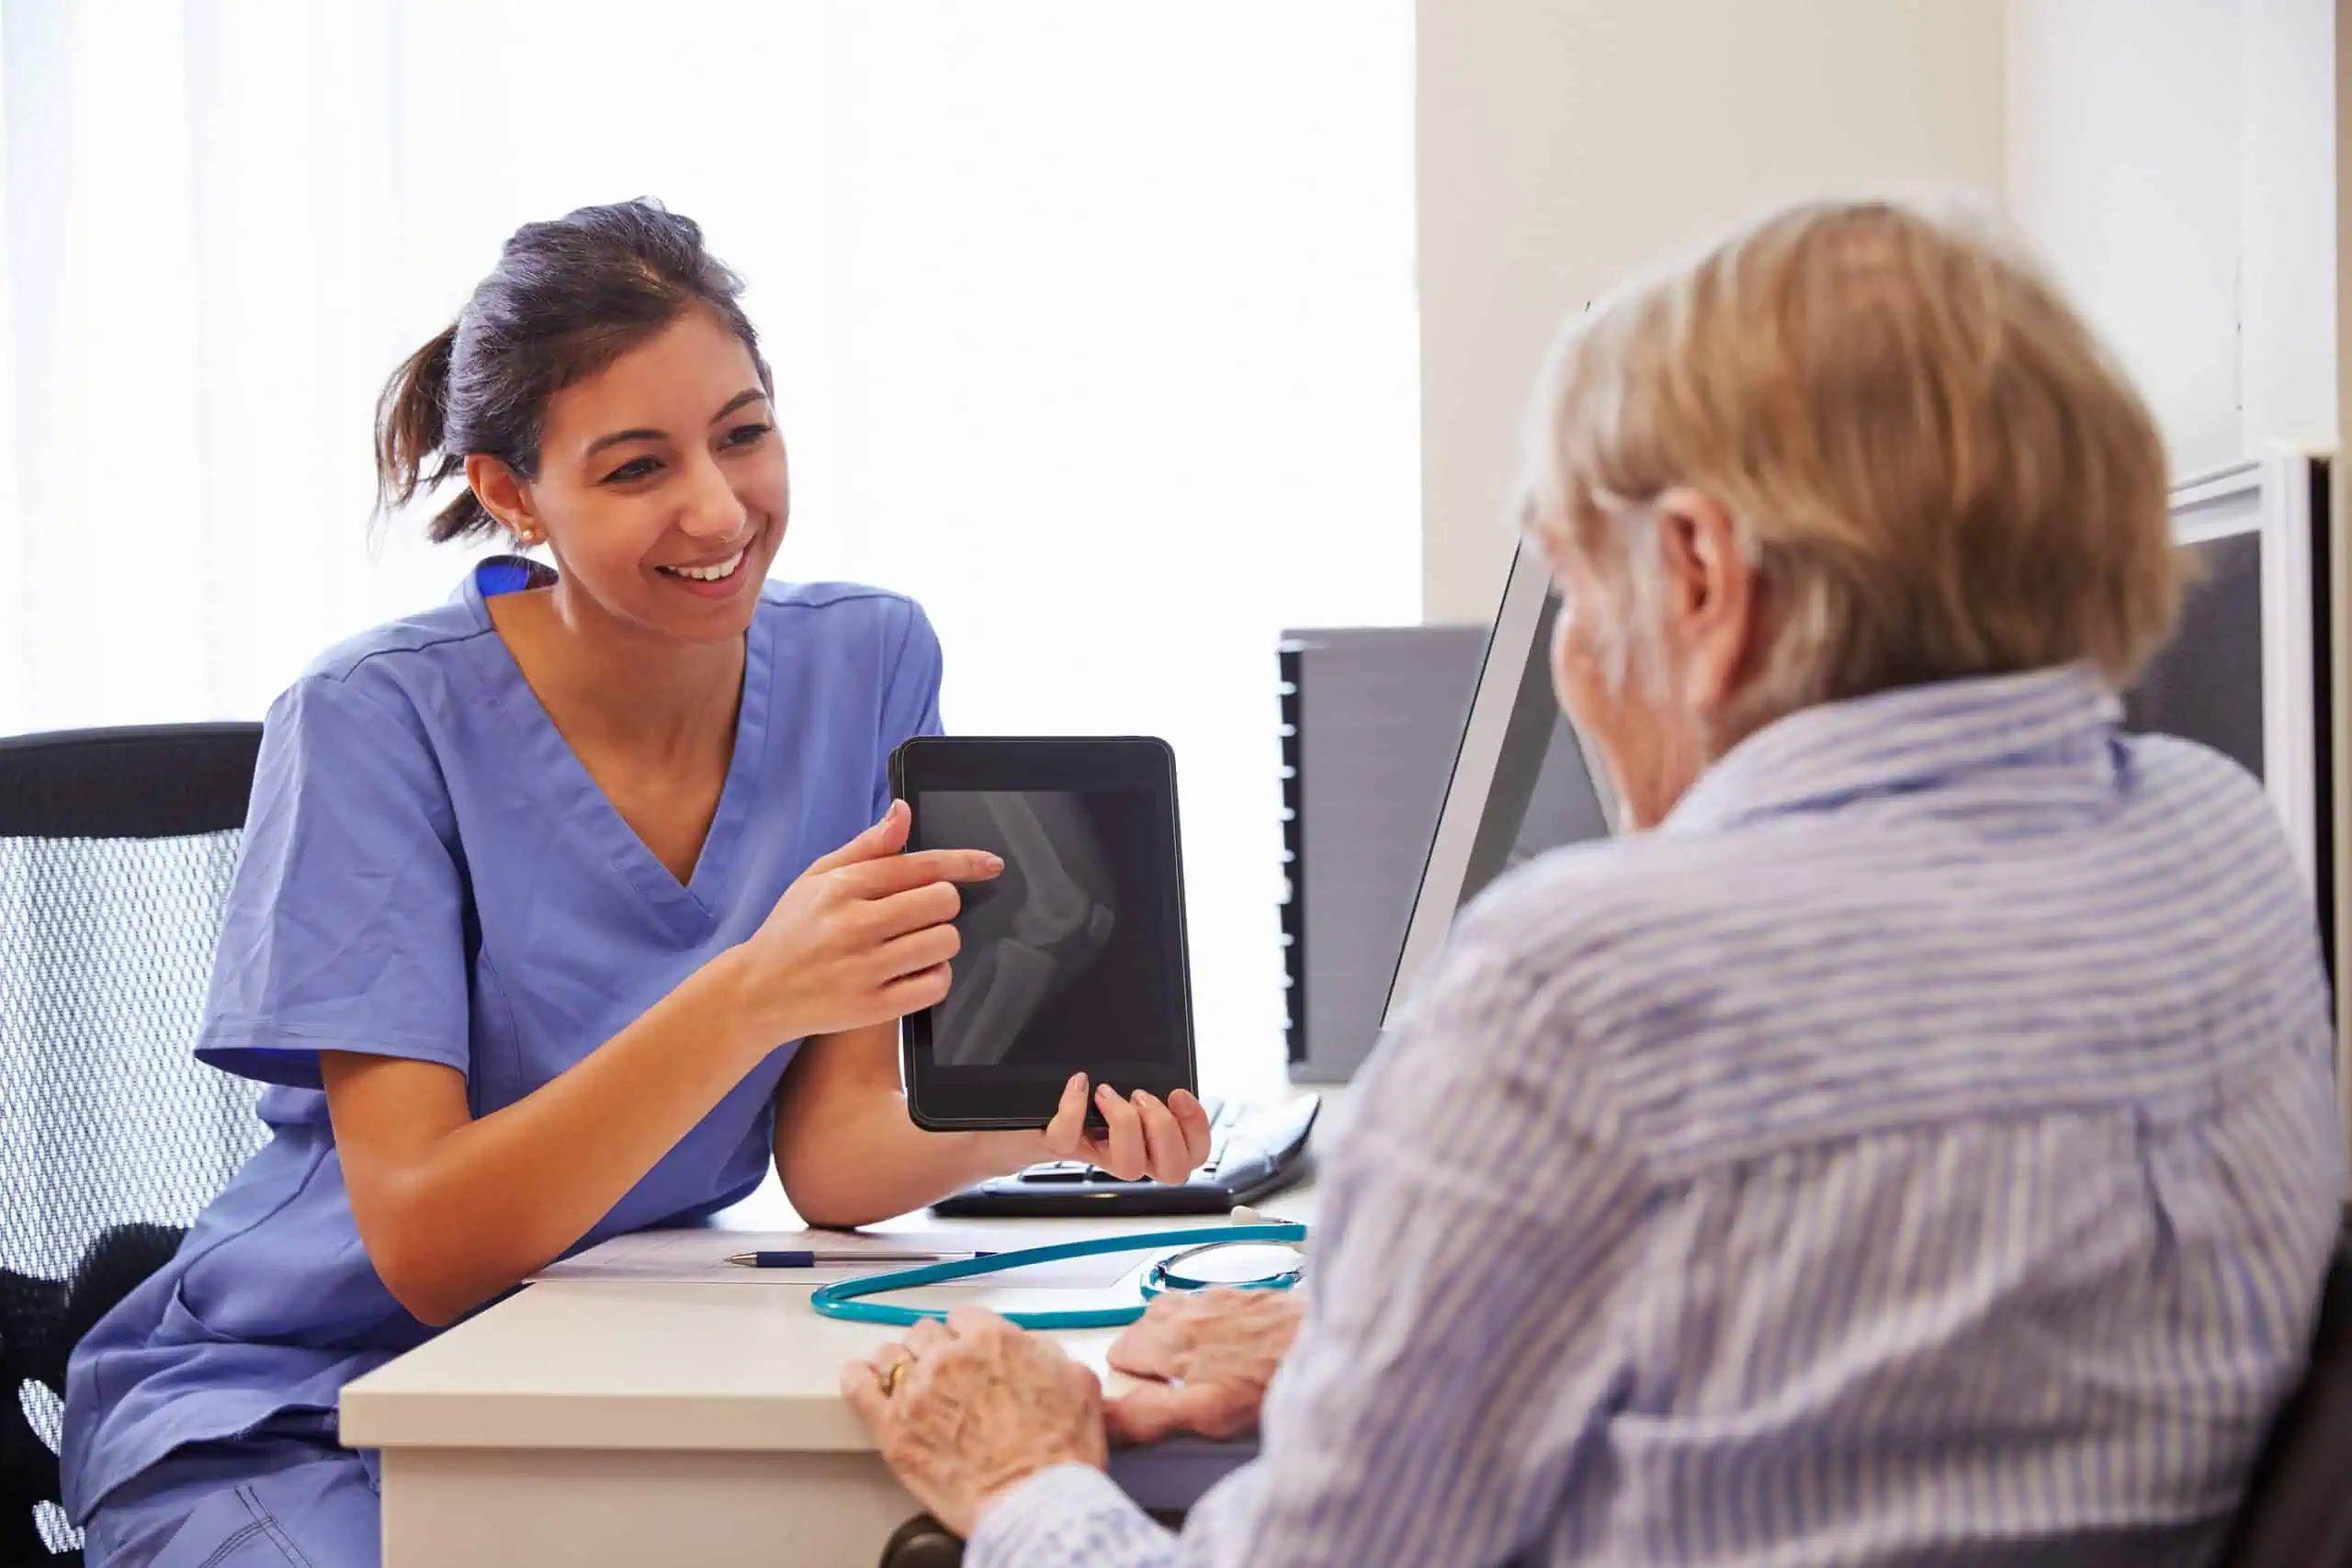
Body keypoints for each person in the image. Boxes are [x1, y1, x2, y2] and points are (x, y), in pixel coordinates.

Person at [842, 198, 2348, 1566]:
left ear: (1696, 574)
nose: (1572, 656)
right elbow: (1950, 1356)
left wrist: (1029, 1475)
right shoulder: (2219, 848)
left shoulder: (1584, 991)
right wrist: (1406, 1348)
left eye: (1572, 578)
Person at [60, 198, 1213, 1568]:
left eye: (744, 433)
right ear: (508, 492)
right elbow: (426, 1242)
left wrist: (1053, 1128)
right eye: (633, 469)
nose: (719, 510)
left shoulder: (871, 662)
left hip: (588, 1376)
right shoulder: (376, 718)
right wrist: (747, 994)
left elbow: (833, 1154)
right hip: (296, 1405)